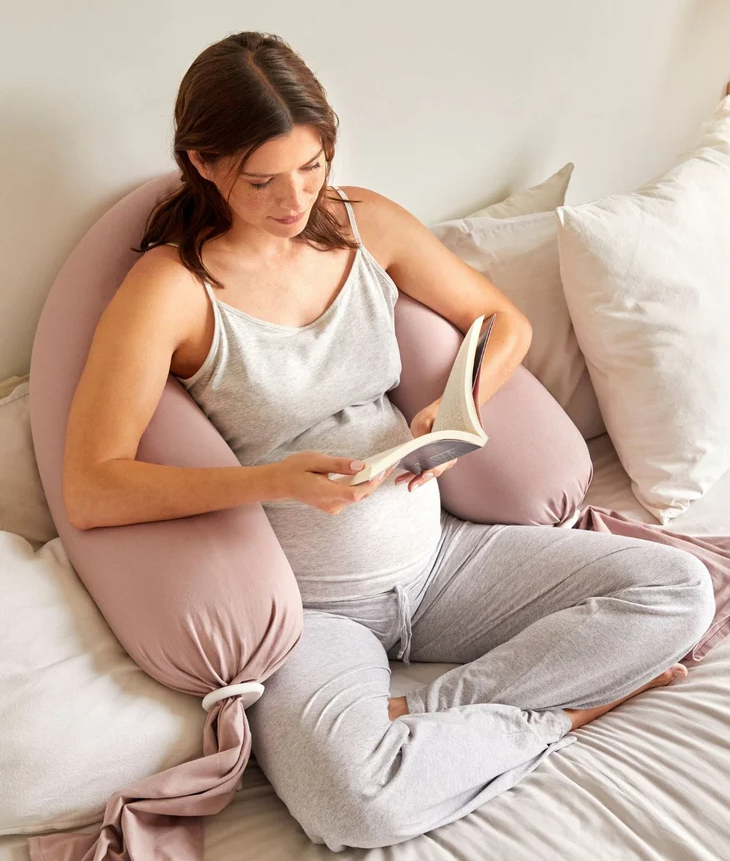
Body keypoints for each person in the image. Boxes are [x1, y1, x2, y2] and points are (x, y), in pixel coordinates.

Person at [63, 31, 716, 851]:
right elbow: (93, 484)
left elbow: (500, 322)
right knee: (350, 802)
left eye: (312, 166)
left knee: (678, 590)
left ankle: (431, 715)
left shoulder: (363, 222)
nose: (295, 199)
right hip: (317, 615)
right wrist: (269, 482)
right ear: (202, 162)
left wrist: (453, 404)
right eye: (262, 180)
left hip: (445, 564)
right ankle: (563, 715)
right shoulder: (170, 289)